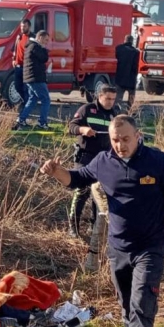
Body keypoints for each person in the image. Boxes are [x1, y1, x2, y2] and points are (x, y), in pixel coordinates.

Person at [39, 115, 164, 327]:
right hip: (118, 248)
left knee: (142, 301)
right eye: (115, 140)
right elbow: (77, 179)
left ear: (138, 136)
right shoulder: (103, 162)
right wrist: (56, 172)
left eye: (126, 139)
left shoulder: (158, 161)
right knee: (126, 304)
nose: (120, 145)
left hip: (150, 246)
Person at [66, 85, 120, 238]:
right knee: (82, 192)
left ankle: (94, 227)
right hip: (85, 157)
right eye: (108, 98)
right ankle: (73, 228)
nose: (110, 102)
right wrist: (83, 130)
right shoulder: (87, 109)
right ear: (100, 97)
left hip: (104, 160)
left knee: (100, 194)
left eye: (113, 99)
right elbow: (71, 126)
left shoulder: (114, 115)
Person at [15, 31, 51, 130]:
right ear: (40, 37)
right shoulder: (35, 47)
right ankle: (42, 122)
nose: (46, 42)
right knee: (46, 100)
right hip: (36, 78)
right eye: (46, 40)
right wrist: (44, 49)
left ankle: (21, 119)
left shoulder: (30, 46)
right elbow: (44, 58)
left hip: (30, 78)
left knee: (33, 99)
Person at [114, 35, 140, 110]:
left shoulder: (118, 48)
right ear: (132, 41)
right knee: (131, 96)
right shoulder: (136, 52)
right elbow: (136, 66)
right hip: (131, 78)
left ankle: (116, 110)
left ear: (124, 40)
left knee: (118, 97)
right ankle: (129, 110)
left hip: (120, 77)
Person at [12, 19, 34, 108]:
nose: (22, 28)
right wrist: (13, 59)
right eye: (21, 26)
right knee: (17, 86)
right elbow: (14, 49)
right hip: (18, 66)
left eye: (24, 26)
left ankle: (26, 106)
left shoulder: (33, 38)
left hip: (27, 67)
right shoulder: (19, 37)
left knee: (26, 88)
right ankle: (25, 101)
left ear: (29, 26)